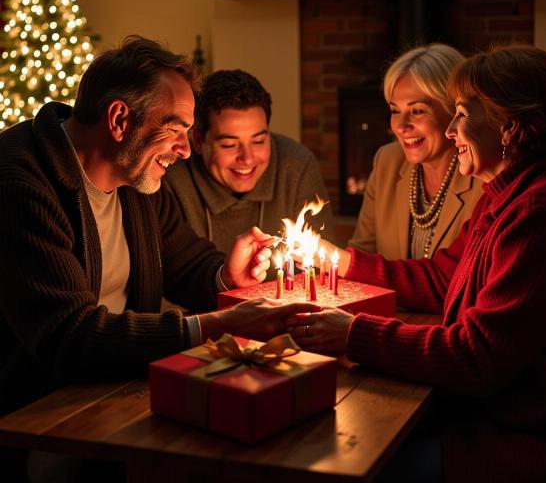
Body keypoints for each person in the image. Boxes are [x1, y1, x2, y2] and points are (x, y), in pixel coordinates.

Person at [286, 46, 546, 482]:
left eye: (461, 114)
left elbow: (478, 357)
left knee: (344, 459)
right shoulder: (508, 196)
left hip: (523, 444)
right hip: (482, 417)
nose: (452, 131)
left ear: (508, 127)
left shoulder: (542, 213)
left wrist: (353, 333)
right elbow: (442, 280)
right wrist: (343, 261)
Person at [0, 37, 313, 423]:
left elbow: (184, 262)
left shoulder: (137, 176)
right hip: (37, 411)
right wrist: (212, 326)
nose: (185, 149)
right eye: (175, 129)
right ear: (118, 120)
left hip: (119, 389)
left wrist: (224, 275)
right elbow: (68, 337)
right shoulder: (20, 183)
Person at [165, 69, 335, 261]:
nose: (247, 158)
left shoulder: (297, 165)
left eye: (259, 141)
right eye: (229, 144)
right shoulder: (169, 176)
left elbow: (321, 266)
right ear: (197, 140)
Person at [349, 44, 482, 260]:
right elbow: (362, 252)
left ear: (454, 111)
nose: (401, 126)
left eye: (417, 111)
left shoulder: (482, 178)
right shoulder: (387, 161)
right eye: (395, 111)